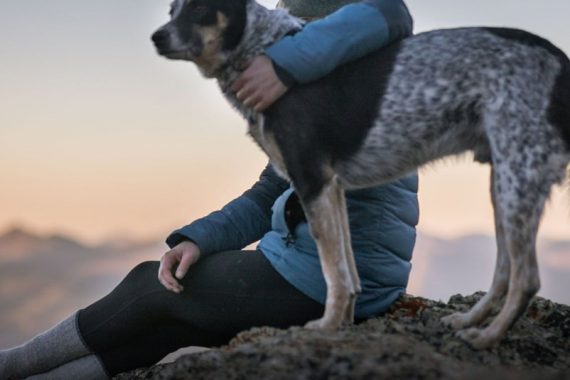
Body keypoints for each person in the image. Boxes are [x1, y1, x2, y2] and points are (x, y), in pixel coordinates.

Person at [0, 0, 417, 378]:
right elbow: (267, 193)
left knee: (151, 285)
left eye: (294, 40)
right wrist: (197, 240)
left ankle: (12, 364)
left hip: (333, 281)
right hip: (309, 268)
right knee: (169, 327)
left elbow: (392, 12)